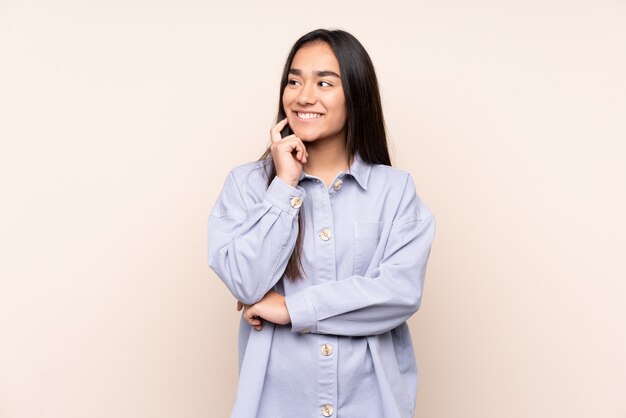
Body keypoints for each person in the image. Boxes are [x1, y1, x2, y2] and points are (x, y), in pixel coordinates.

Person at [207, 28, 436, 418]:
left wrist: (293, 309)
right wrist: (284, 186)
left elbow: (398, 293)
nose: (303, 96)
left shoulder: (395, 191)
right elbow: (244, 279)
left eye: (324, 82)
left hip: (373, 406)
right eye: (294, 80)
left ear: (356, 95)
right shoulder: (246, 186)